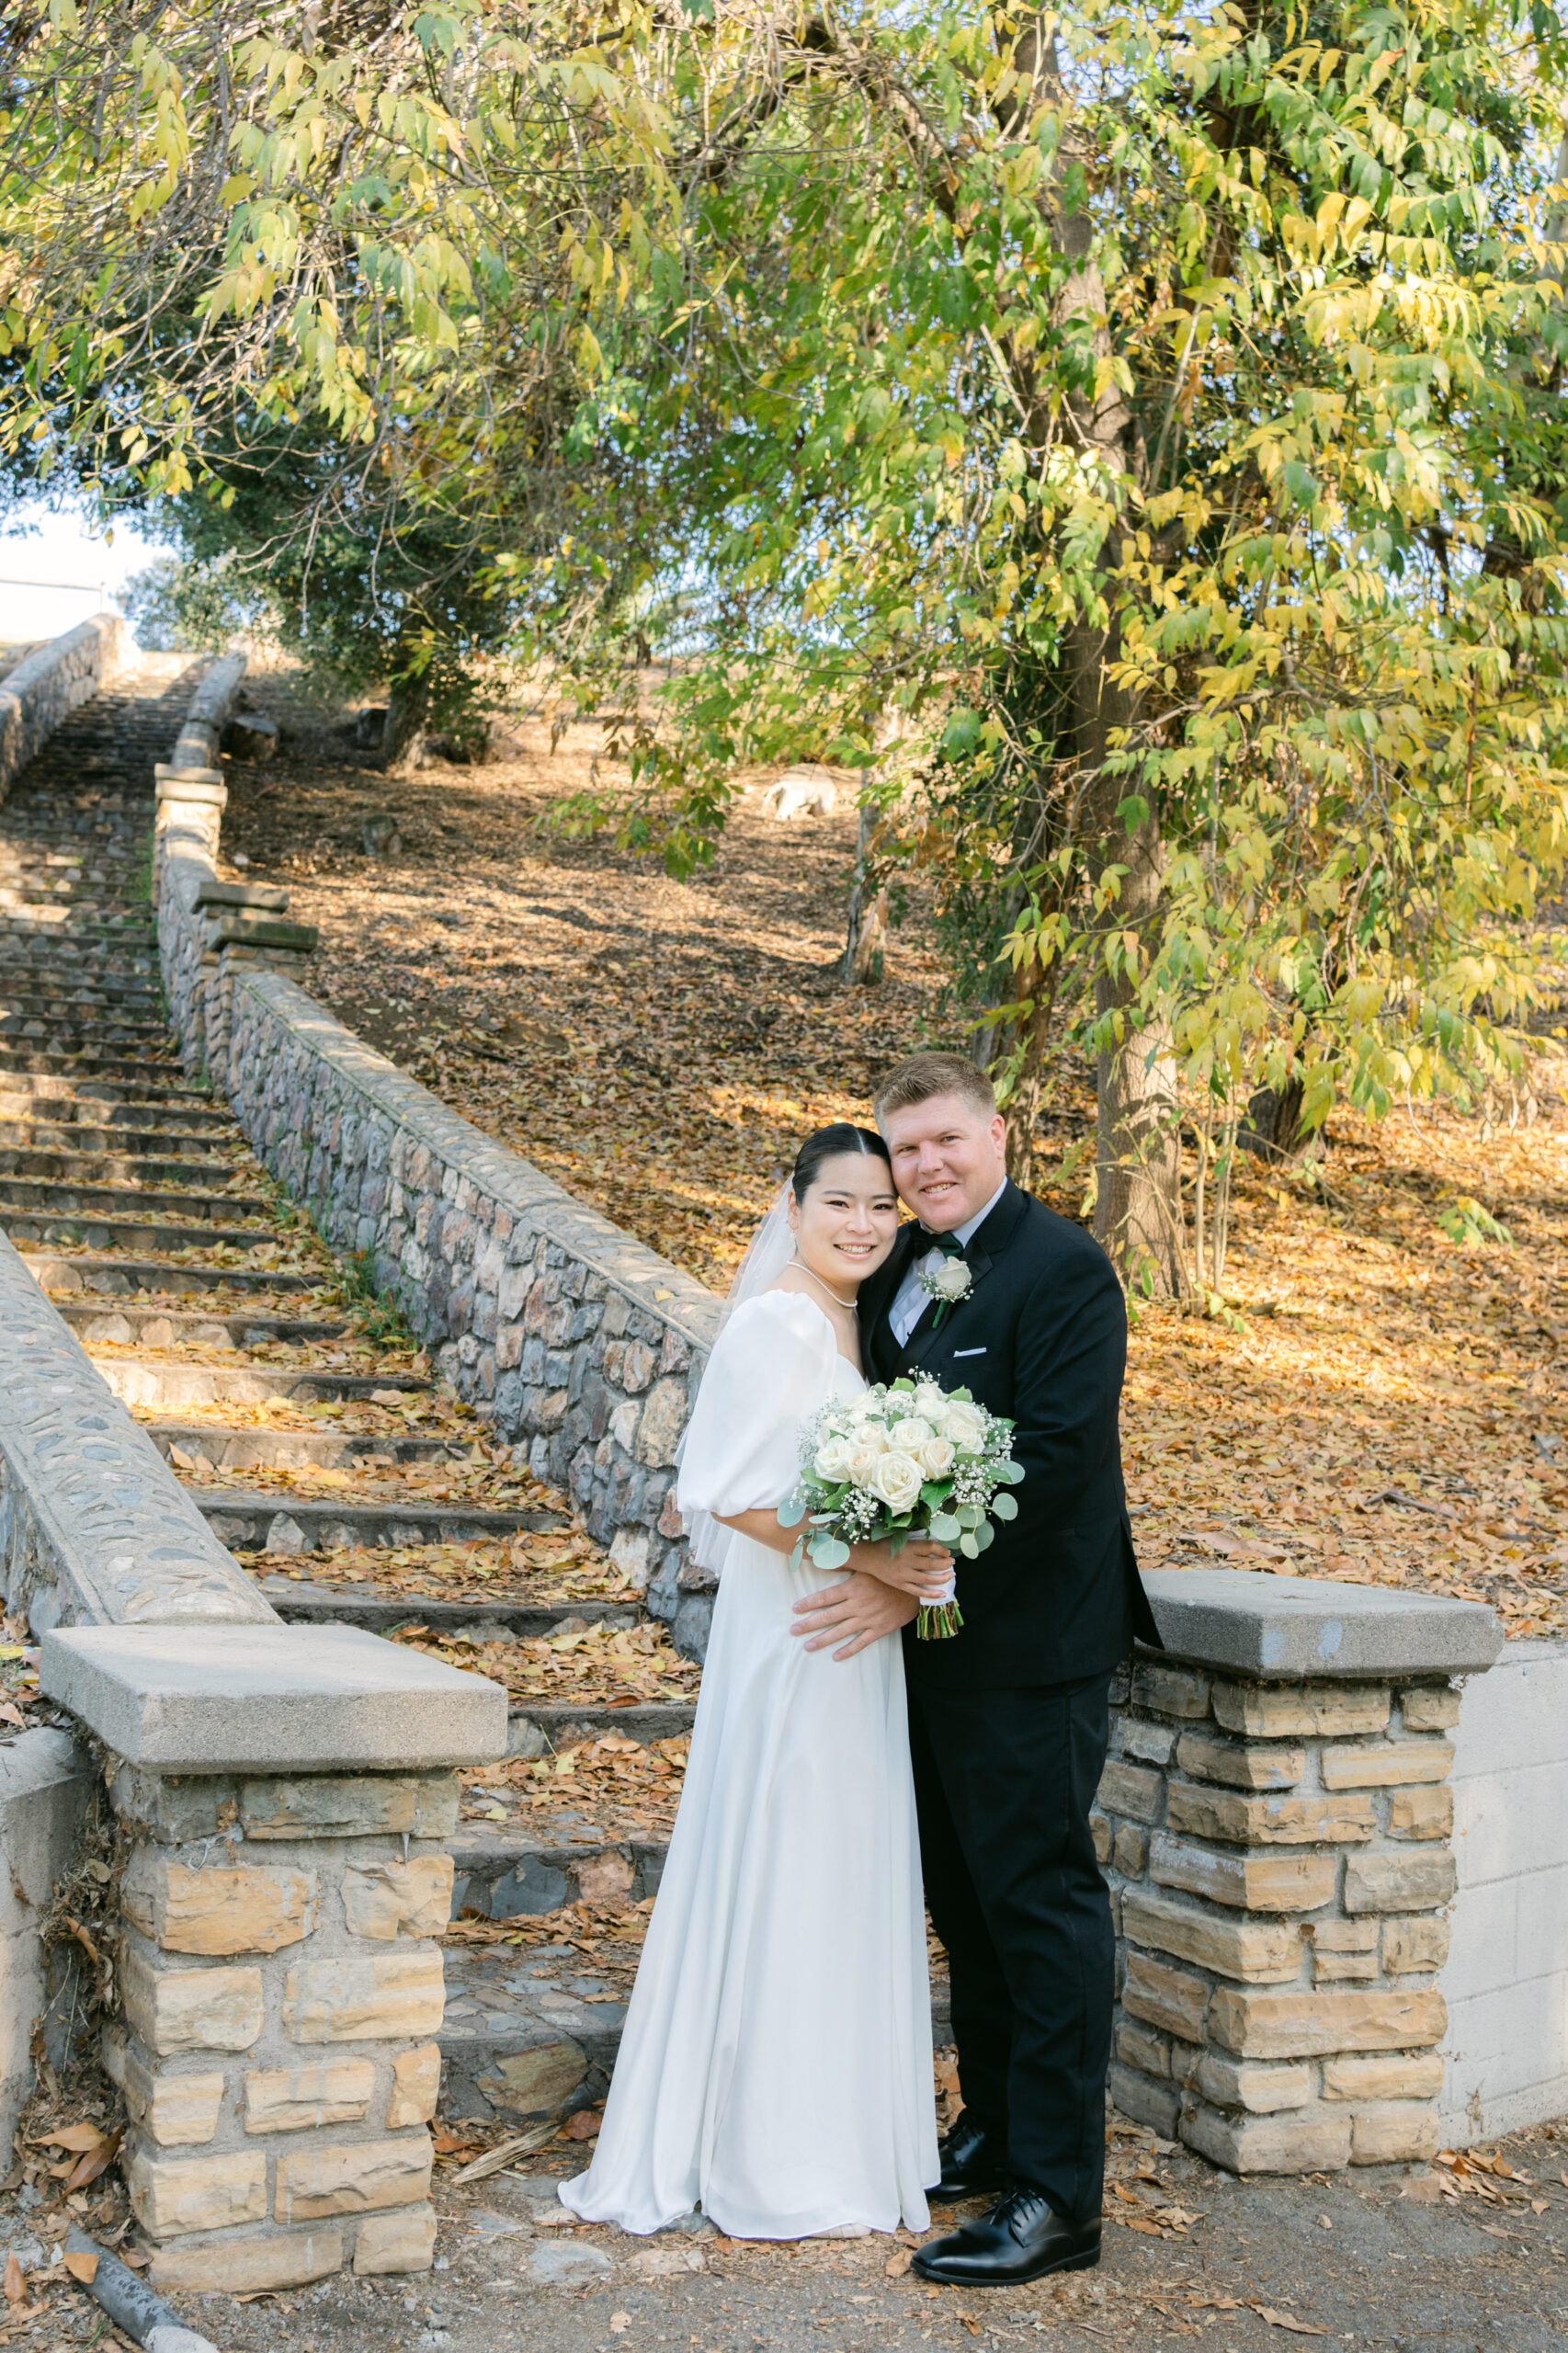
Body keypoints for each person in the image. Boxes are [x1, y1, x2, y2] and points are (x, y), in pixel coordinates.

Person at [792, 1052, 1161, 2287]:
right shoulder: (897, 1266)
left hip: (1032, 1646)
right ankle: (997, 2127)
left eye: (945, 1140)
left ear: (997, 1134)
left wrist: (912, 1570)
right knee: (964, 1904)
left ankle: (1058, 2199)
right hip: (927, 1653)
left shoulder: (1065, 1269)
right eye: (904, 1152)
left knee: (1040, 1910)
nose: (926, 1166)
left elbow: (1052, 1462)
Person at [559, 1122, 954, 2240]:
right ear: (790, 1205)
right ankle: (769, 2152)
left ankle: (833, 2136)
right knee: (788, 1853)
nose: (865, 1223)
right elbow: (722, 1492)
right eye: (840, 1203)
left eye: (883, 1205)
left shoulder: (860, 1319)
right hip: (793, 1639)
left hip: (848, 1644)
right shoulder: (779, 1319)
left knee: (839, 1862)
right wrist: (875, 1558)